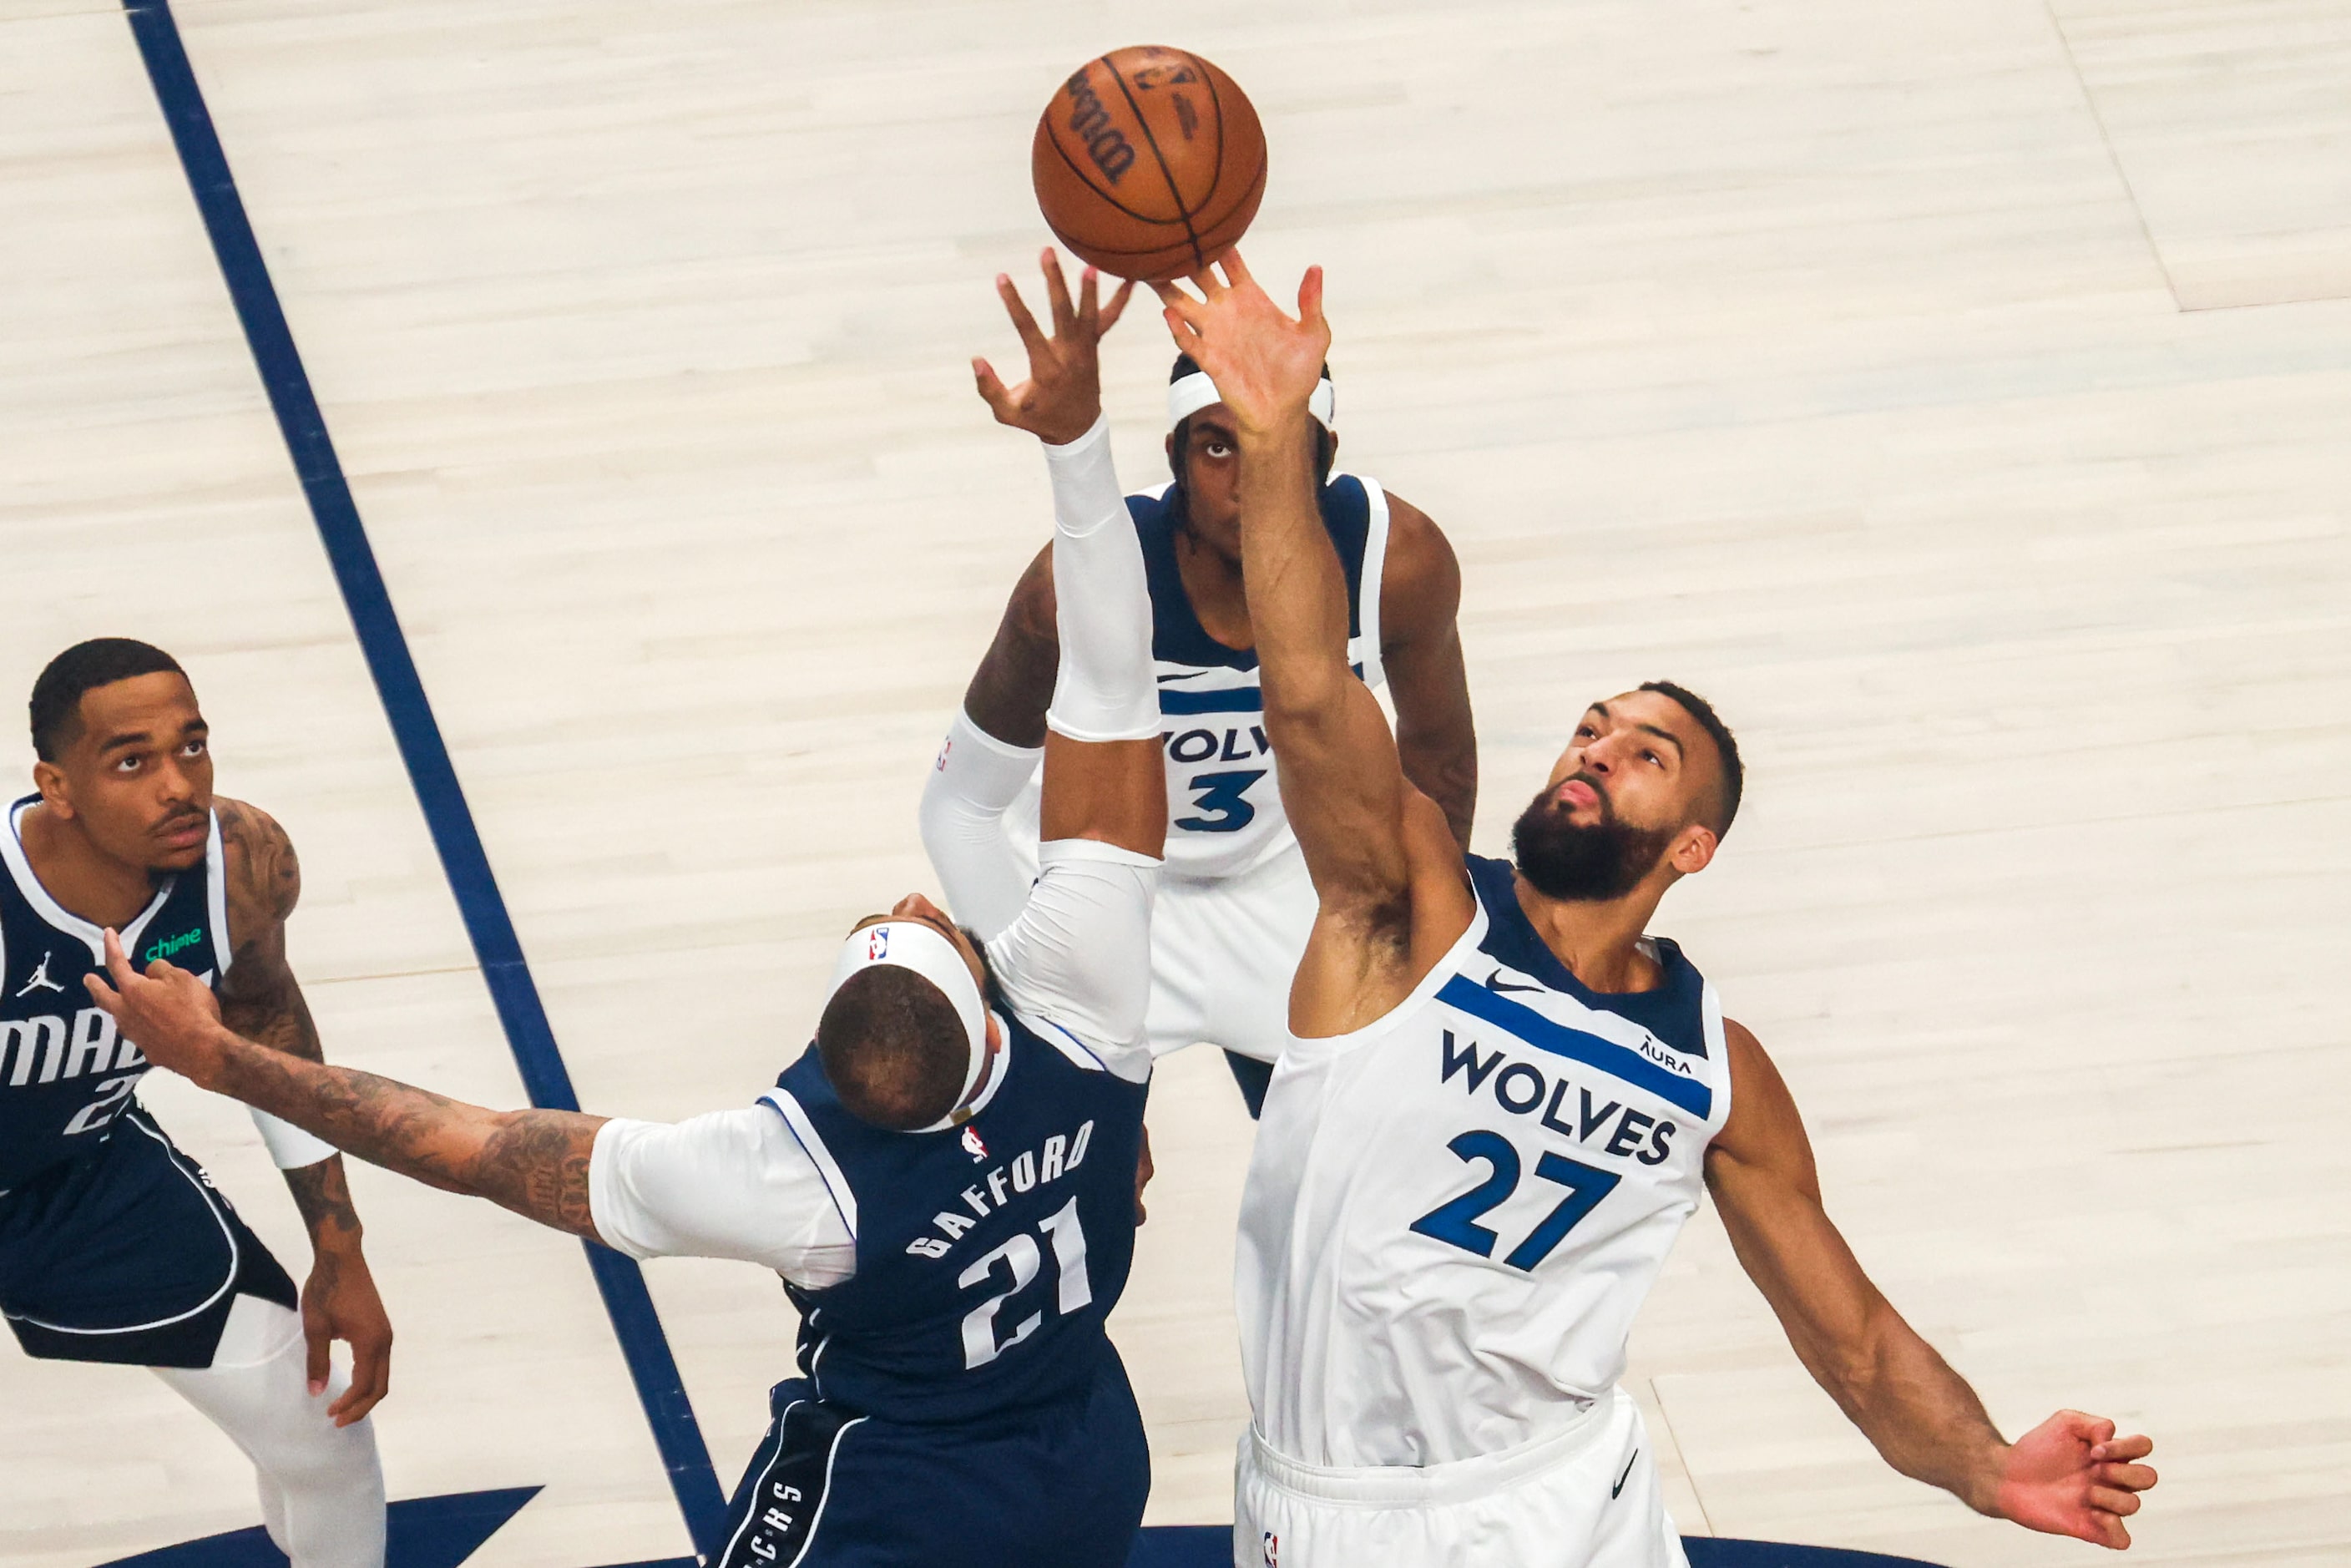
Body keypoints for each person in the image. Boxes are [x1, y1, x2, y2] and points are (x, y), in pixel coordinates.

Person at [86, 262, 1170, 1568]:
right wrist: (1078, 443)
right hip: (1088, 1456)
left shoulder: (795, 1177)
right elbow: (1113, 681)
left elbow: (471, 1143)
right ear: (982, 1004)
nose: (915, 894)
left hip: (900, 1502)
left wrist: (221, 1060)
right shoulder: (1087, 1003)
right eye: (923, 917)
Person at [1145, 257, 2161, 1567]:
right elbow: (1305, 692)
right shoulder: (1405, 913)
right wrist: (1278, 446)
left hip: (1568, 1500)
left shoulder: (1714, 1063)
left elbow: (1847, 1333)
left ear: (1694, 843)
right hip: (1338, 1508)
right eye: (1589, 727)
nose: (1593, 749)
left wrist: (1981, 1462)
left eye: (1643, 751)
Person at [926, 251, 1477, 1118]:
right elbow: (956, 808)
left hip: (1287, 881)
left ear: (1326, 455)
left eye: (1276, 444)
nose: (1246, 478)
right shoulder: (1064, 592)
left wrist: (1422, 946)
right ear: (1175, 456)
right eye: (1216, 446)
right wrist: (1025, 988)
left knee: (1374, 1151)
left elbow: (1439, 764)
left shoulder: (1395, 562)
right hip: (1103, 893)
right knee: (1026, 1167)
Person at [1, 639, 389, 1567]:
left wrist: (339, 1248)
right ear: (57, 787)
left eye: (193, 747)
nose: (178, 785)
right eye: (132, 761)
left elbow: (269, 1036)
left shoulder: (242, 863)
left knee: (322, 1438)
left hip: (84, 1180)